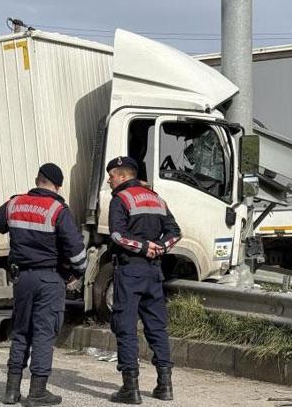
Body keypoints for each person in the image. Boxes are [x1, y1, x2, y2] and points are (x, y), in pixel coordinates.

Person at [0, 163, 87, 406]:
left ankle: (11, 391)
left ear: (37, 180)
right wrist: (77, 272)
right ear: (58, 185)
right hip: (50, 279)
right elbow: (76, 252)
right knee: (44, 332)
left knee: (21, 330)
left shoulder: (15, 203)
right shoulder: (58, 210)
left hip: (22, 278)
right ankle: (37, 392)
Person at [105, 156, 181, 404]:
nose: (109, 179)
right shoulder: (156, 198)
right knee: (157, 327)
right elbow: (175, 232)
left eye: (112, 175)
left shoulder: (121, 199)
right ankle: (165, 385)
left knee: (126, 327)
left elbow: (117, 235)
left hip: (130, 271)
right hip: (154, 272)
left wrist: (143, 247)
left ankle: (131, 388)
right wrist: (159, 247)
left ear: (124, 176)